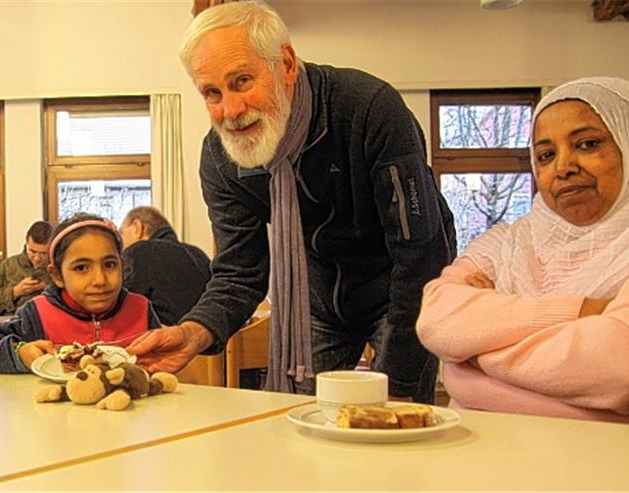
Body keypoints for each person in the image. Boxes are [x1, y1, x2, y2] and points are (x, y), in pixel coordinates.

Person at [127, 1, 455, 403]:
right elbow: (238, 273)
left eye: (242, 81)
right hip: (316, 300)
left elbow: (420, 254)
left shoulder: (369, 109)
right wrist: (193, 332)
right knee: (293, 421)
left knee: (392, 426)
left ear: (285, 65)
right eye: (212, 93)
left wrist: (402, 392)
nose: (230, 111)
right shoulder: (220, 158)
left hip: (401, 291)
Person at [416, 77, 629, 425]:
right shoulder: (509, 242)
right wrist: (582, 311)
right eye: (546, 155)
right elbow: (436, 319)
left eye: (587, 144)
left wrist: (473, 356)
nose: (563, 167)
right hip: (478, 454)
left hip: (609, 464)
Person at [0, 213, 161, 374]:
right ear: (57, 275)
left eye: (109, 264)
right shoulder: (38, 314)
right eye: (81, 268)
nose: (100, 280)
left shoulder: (140, 309)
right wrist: (19, 354)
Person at [119, 206, 212, 324]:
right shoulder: (198, 254)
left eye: (121, 233)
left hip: (168, 339)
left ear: (137, 227)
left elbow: (116, 305)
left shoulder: (139, 252)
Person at [0, 221, 53, 316]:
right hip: (12, 326)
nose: (37, 258)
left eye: (43, 253)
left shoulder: (59, 269)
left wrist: (50, 288)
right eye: (32, 251)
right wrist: (14, 292)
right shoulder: (9, 265)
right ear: (26, 244)